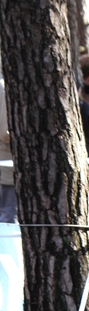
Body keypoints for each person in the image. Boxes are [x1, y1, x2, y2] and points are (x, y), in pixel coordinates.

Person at [0, 69, 17, 224]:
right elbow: (5, 133)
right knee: (7, 218)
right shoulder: (3, 88)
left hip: (5, 168)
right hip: (5, 168)